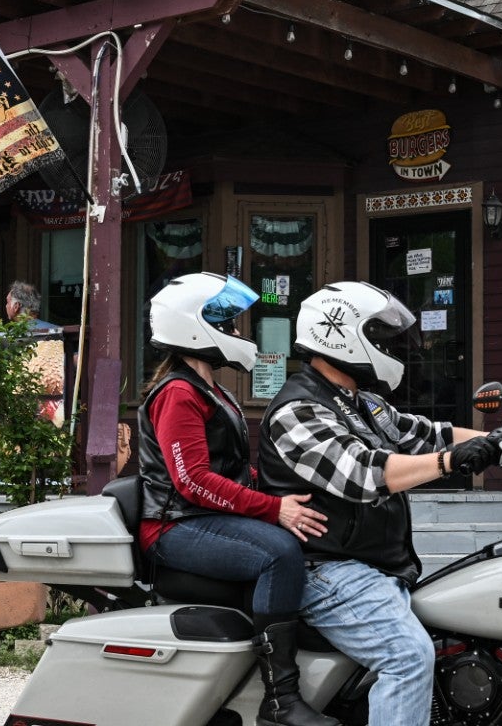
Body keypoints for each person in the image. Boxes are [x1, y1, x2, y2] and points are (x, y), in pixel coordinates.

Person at [261, 281, 502, 726]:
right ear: (341, 333)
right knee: (408, 656)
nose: (384, 346)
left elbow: (433, 435)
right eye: (375, 334)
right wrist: (450, 463)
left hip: (373, 564)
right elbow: (363, 473)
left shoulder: (363, 403)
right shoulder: (298, 409)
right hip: (329, 569)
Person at [136, 273, 334, 726]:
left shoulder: (209, 388)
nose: (237, 333)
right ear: (193, 327)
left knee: (304, 534)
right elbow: (192, 481)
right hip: (174, 525)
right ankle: (281, 699)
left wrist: (281, 490)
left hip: (200, 516)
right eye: (225, 322)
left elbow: (228, 469)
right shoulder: (180, 392)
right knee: (278, 553)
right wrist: (273, 508)